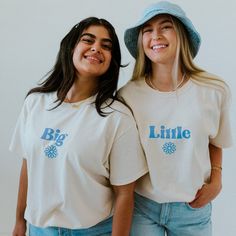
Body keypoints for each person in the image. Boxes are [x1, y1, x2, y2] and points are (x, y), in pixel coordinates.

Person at [10, 17, 148, 236]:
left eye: (106, 46)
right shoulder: (35, 103)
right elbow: (29, 166)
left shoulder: (117, 118)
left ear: (111, 60)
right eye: (88, 40)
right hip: (39, 229)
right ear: (71, 47)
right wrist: (19, 221)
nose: (96, 48)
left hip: (93, 231)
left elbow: (125, 194)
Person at [119, 1, 233, 235]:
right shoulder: (128, 96)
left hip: (193, 208)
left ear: (181, 34)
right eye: (147, 30)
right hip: (143, 207)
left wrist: (217, 180)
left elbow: (215, 141)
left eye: (165, 27)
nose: (155, 36)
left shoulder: (213, 90)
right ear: (141, 41)